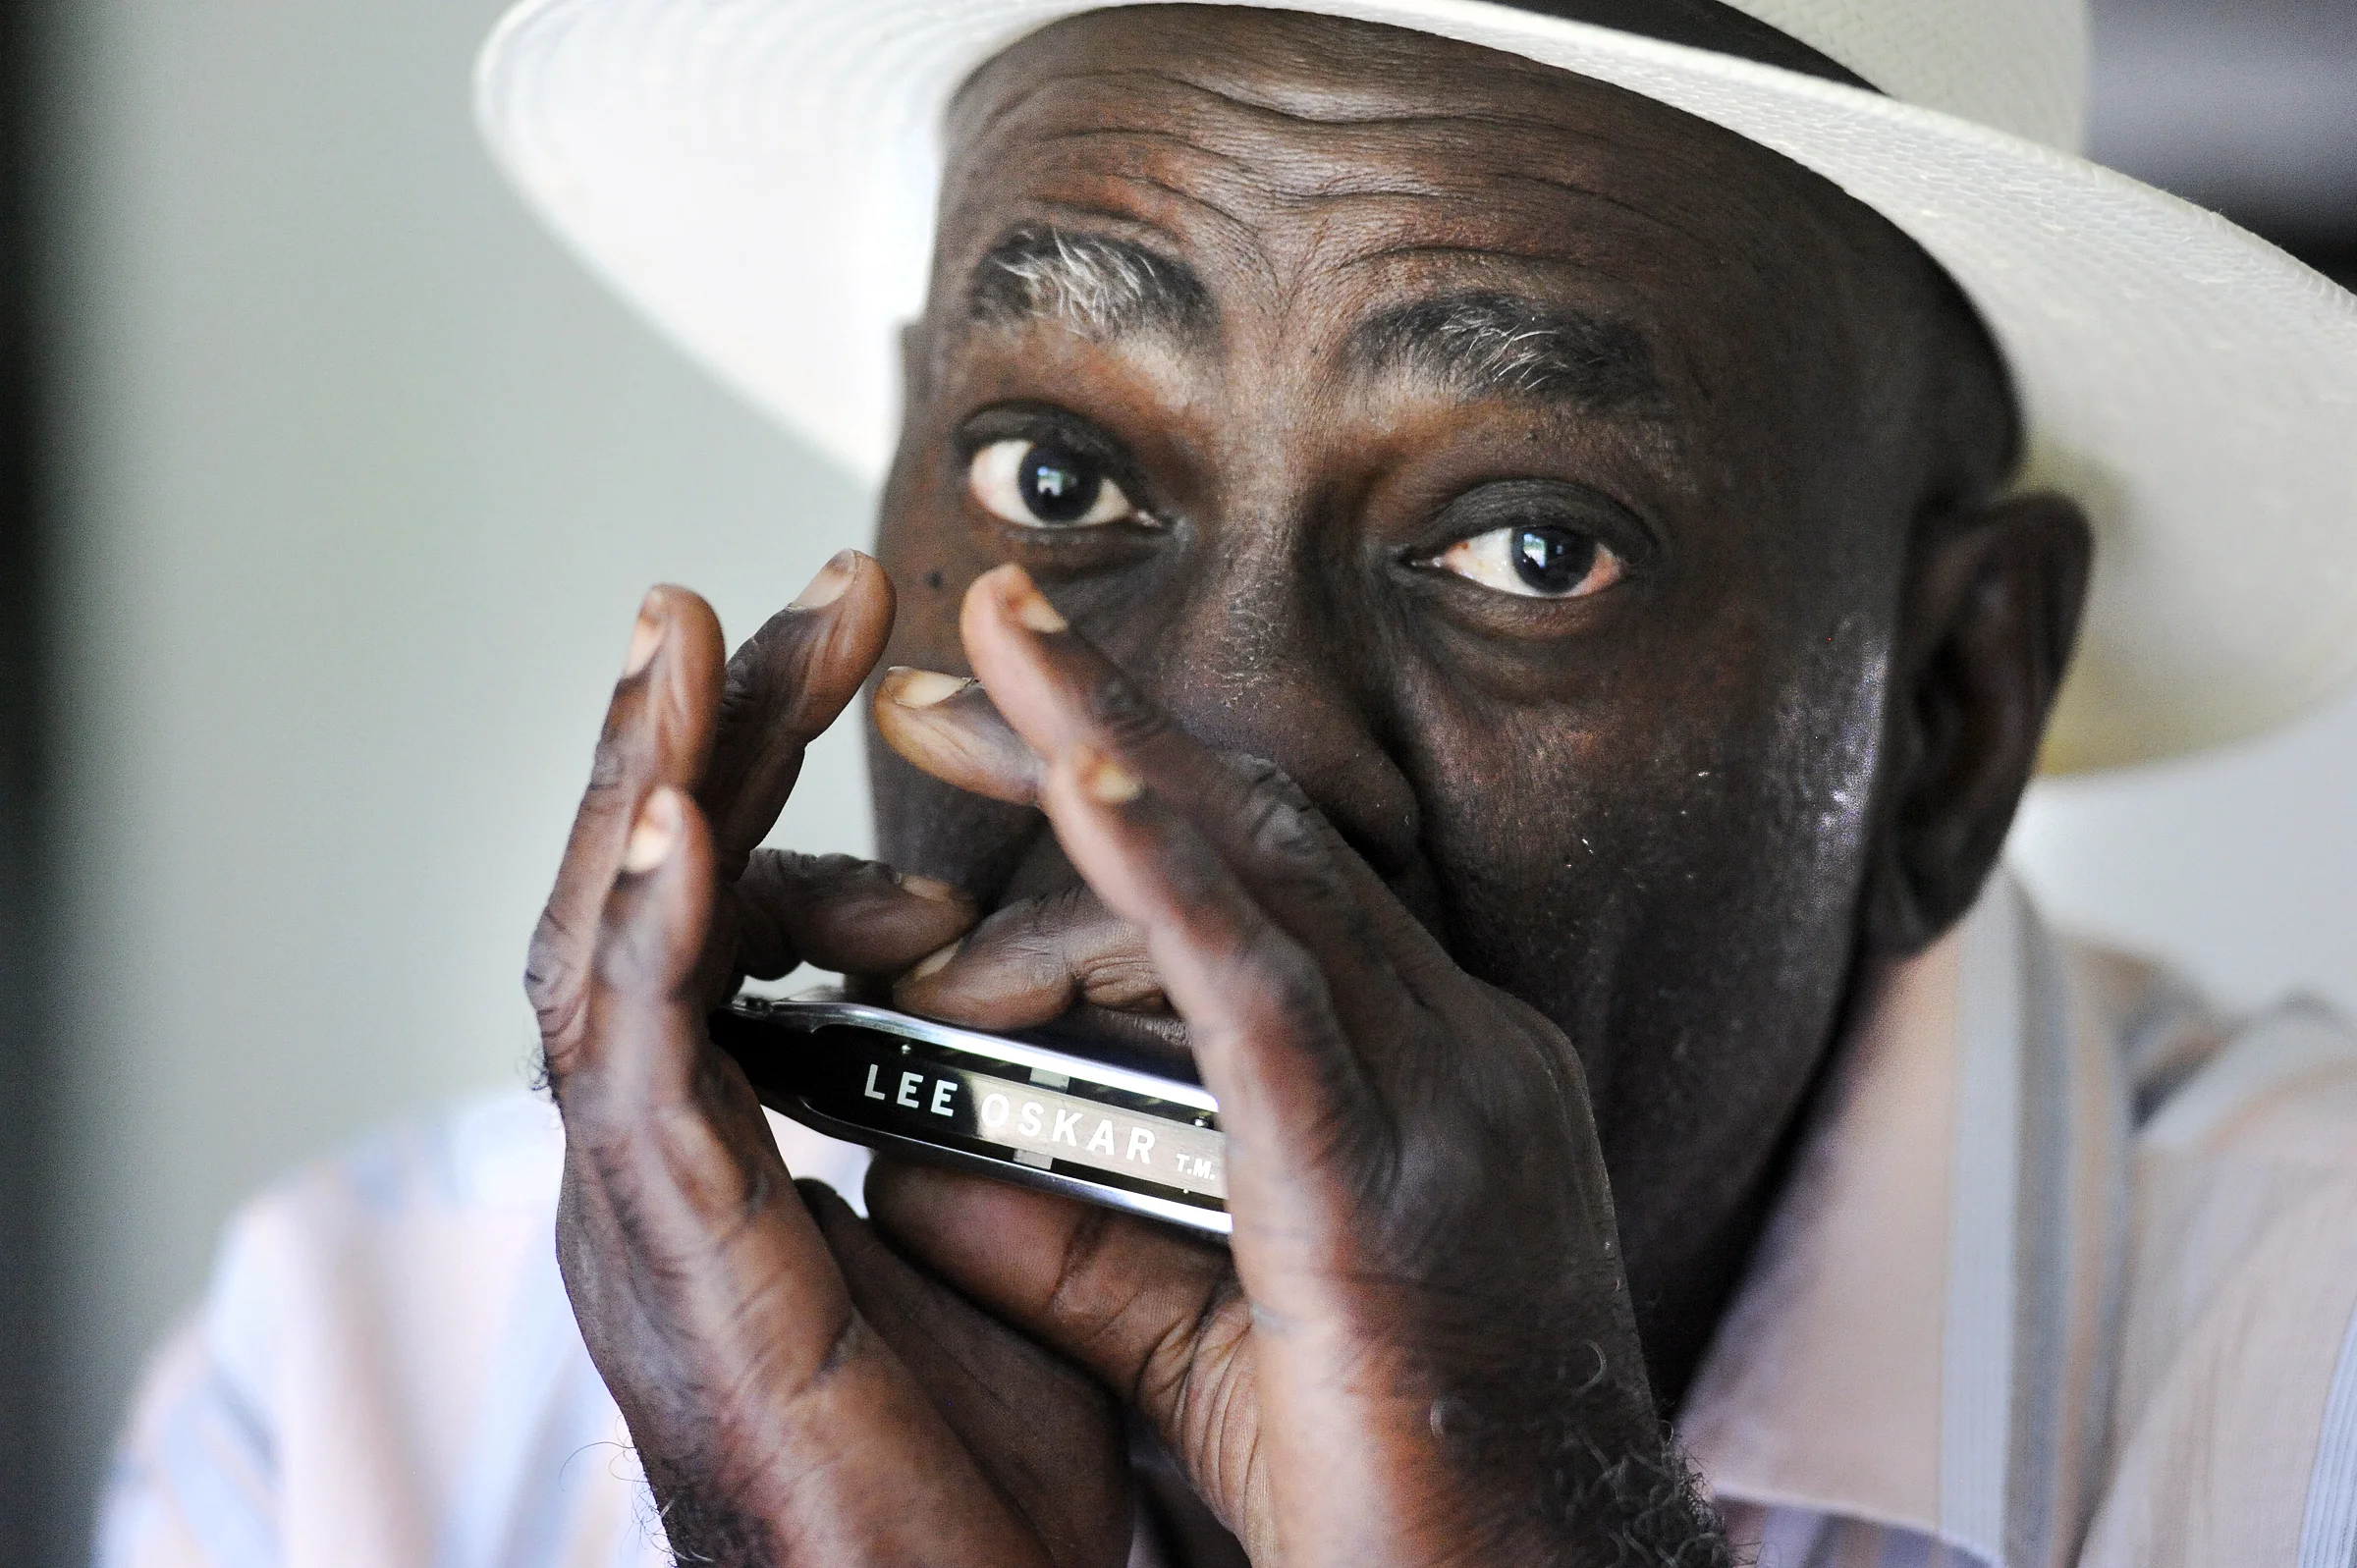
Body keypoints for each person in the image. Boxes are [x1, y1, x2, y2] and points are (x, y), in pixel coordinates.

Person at [100, 1, 2357, 1564]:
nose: (1206, 757)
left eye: (1531, 548)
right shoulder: (358, 1391)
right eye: (1057, 472)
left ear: (1949, 715)